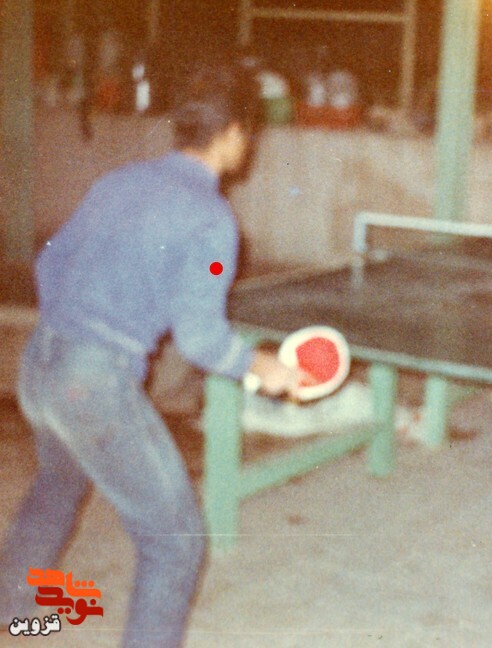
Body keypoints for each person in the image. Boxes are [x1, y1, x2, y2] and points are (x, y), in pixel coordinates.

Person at [0, 62, 300, 647]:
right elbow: (201, 339)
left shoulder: (118, 182)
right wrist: (263, 366)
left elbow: (50, 262)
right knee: (175, 541)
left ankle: (13, 611)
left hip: (39, 364)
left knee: (58, 484)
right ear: (234, 133)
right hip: (92, 382)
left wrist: (80, 321)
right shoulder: (213, 222)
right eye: (249, 134)